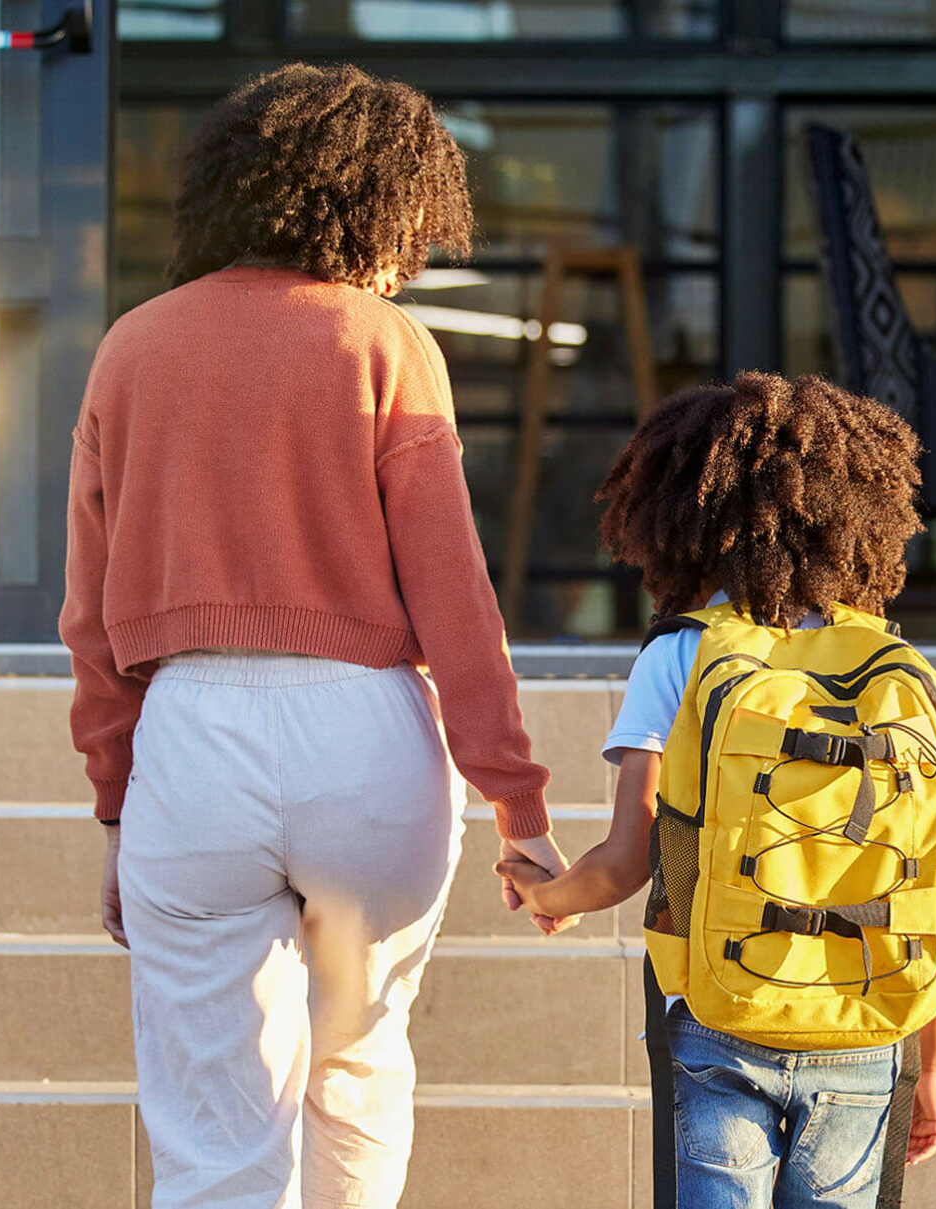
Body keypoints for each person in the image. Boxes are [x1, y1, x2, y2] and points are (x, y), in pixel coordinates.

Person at [59, 64, 572, 1209]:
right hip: (366, 746)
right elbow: (457, 603)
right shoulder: (381, 342)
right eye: (412, 236)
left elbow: (90, 621)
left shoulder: (130, 349)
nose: (411, 266)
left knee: (212, 1136)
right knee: (356, 1070)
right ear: (378, 210)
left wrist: (114, 804)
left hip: (192, 746)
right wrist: (519, 808)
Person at [498, 372, 936, 1209]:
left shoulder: (679, 654)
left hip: (718, 1015)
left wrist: (548, 890)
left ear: (682, 517)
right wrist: (932, 1067)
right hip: (869, 1029)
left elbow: (627, 855)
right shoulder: (889, 666)